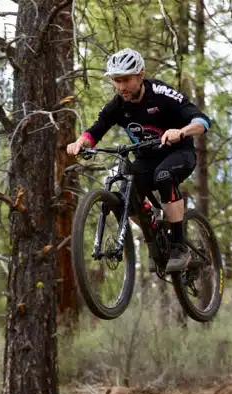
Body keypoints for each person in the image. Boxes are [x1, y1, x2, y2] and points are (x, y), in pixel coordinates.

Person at [66, 48, 211, 273]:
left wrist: (181, 132)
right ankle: (154, 235)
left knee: (163, 176)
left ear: (140, 75)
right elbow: (95, 131)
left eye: (126, 80)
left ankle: (179, 247)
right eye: (117, 81)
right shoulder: (118, 105)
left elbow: (202, 121)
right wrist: (80, 143)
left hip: (179, 153)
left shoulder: (161, 94)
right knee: (126, 195)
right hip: (146, 159)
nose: (121, 87)